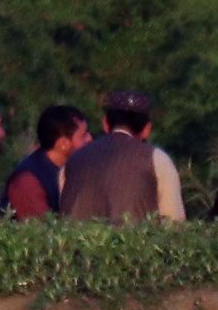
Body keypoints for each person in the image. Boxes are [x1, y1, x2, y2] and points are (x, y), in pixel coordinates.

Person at [57, 90, 185, 223]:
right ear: (147, 129)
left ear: (105, 124)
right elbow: (174, 222)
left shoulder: (72, 161)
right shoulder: (157, 159)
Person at [5, 105, 89, 218]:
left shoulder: (74, 170)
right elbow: (41, 225)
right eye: (83, 136)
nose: (90, 139)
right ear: (63, 143)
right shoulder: (28, 181)